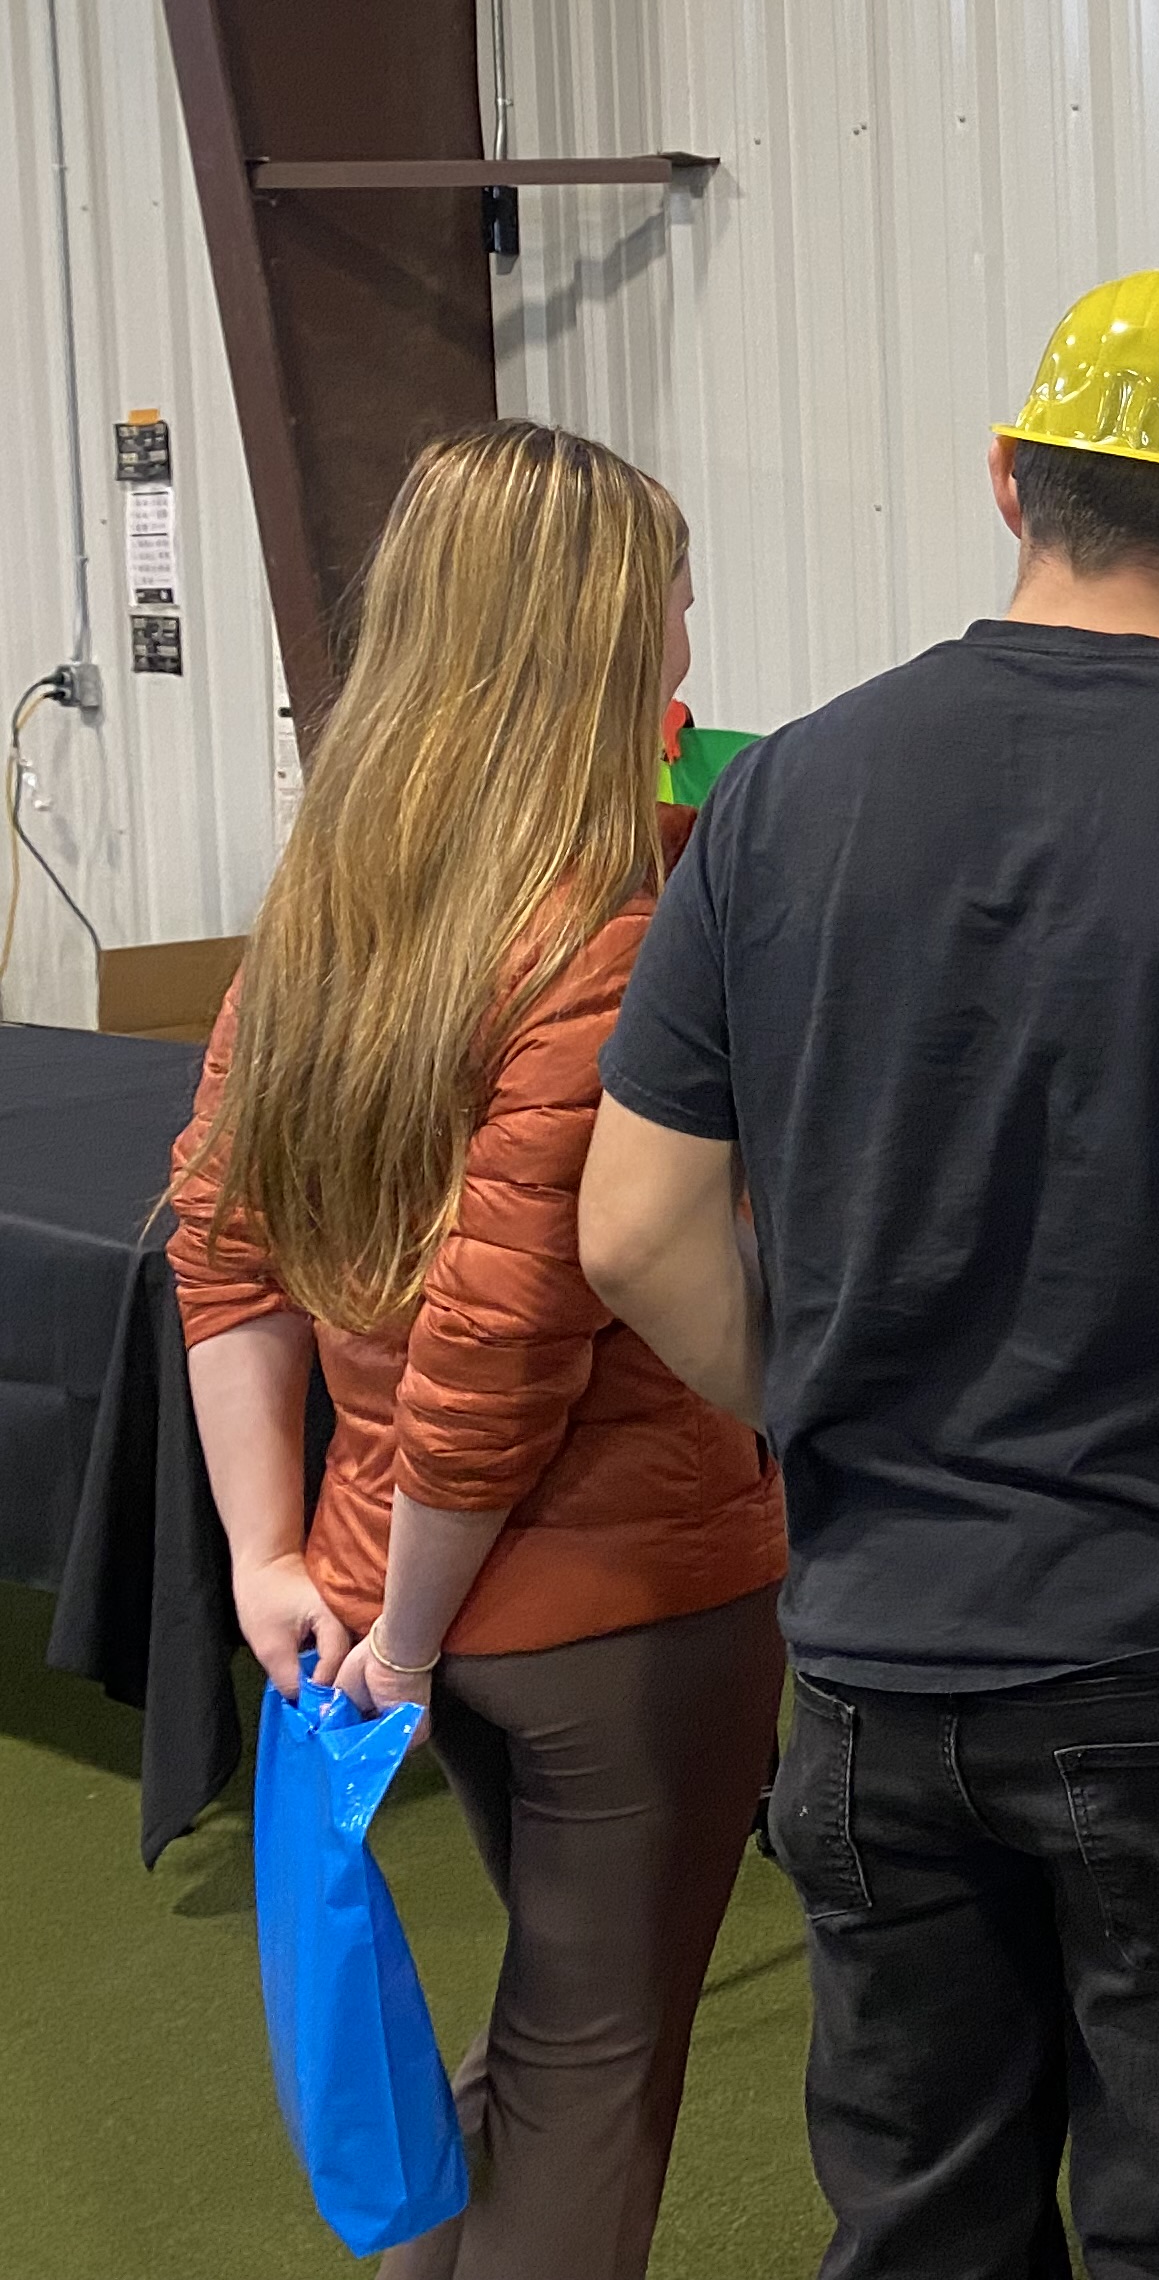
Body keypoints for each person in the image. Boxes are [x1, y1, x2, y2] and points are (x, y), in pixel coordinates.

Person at [577, 272, 1159, 2280]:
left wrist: (823, 1398)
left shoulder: (781, 797)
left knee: (919, 2230)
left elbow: (630, 1229)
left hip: (878, 1666)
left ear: (1008, 479)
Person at [167, 419, 786, 2280]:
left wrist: (283, 1555)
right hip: (605, 1614)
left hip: (402, 1587)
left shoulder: (340, 908)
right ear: (592, 630)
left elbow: (223, 1246)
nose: (689, 627)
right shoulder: (600, 934)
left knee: (539, 2047)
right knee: (595, 2082)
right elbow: (497, 1342)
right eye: (667, 593)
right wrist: (406, 1626)